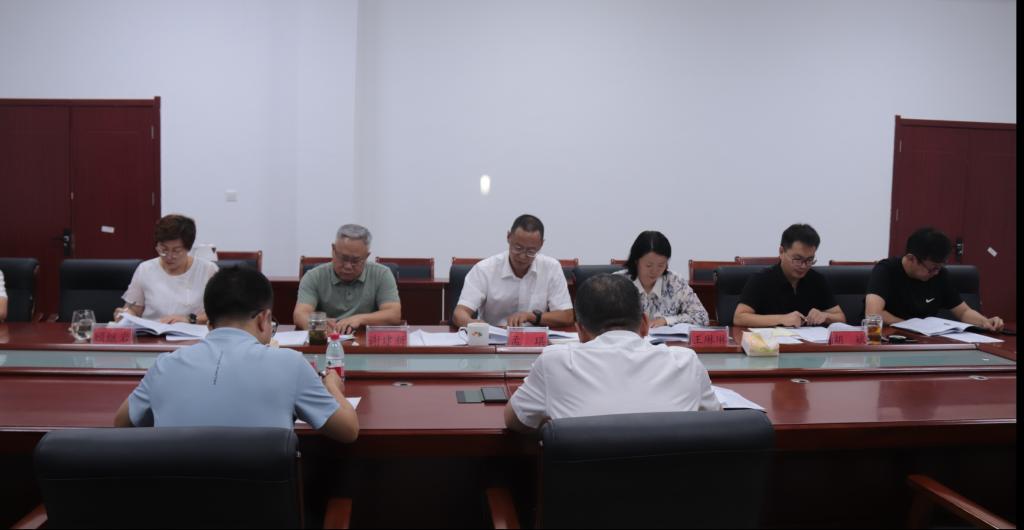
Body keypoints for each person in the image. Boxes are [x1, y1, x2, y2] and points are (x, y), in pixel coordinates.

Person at [114, 267, 359, 443]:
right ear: (263, 318)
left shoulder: (165, 366)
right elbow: (348, 431)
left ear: (209, 322)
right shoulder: (290, 364)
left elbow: (121, 424)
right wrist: (332, 386)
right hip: (262, 502)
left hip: (179, 501)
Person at [505, 273, 720, 432]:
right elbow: (716, 422)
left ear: (580, 331)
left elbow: (515, 420)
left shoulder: (554, 363)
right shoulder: (686, 362)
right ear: (645, 324)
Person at [866, 227, 1004, 331]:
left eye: (940, 267)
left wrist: (985, 322)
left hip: (923, 341)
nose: (936, 273)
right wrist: (910, 326)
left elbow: (963, 312)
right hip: (885, 338)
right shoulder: (886, 270)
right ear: (911, 259)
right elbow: (873, 314)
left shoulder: (940, 275)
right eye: (932, 269)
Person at [453, 214, 574, 328]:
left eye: (531, 251)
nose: (523, 256)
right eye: (518, 248)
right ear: (509, 237)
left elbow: (567, 316)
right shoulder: (484, 269)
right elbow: (459, 313)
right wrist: (474, 324)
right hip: (493, 336)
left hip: (534, 339)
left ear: (541, 244)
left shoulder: (551, 268)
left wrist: (531, 316)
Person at [293, 224, 401, 334]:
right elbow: (300, 315)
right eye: (343, 258)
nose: (348, 266)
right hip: (327, 338)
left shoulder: (382, 274)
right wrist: (318, 324)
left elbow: (394, 314)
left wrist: (360, 319)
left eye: (355, 260)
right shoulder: (314, 276)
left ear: (366, 256)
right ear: (333, 250)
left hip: (365, 339)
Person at [733, 223, 845, 327]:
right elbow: (739, 318)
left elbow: (841, 317)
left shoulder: (817, 280)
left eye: (809, 260)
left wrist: (825, 316)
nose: (803, 266)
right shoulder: (761, 279)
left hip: (808, 341)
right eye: (797, 259)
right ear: (781, 252)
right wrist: (781, 319)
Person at [116, 214, 219, 324]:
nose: (169, 257)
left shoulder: (208, 270)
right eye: (164, 250)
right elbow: (134, 310)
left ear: (188, 248)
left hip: (193, 333)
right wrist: (125, 315)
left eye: (176, 251)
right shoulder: (145, 269)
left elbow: (222, 314)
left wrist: (189, 319)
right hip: (152, 333)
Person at [615, 230, 709, 327]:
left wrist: (667, 320)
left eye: (661, 265)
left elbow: (702, 317)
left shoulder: (675, 282)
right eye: (648, 265)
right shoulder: (617, 283)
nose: (654, 271)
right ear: (636, 261)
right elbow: (605, 320)